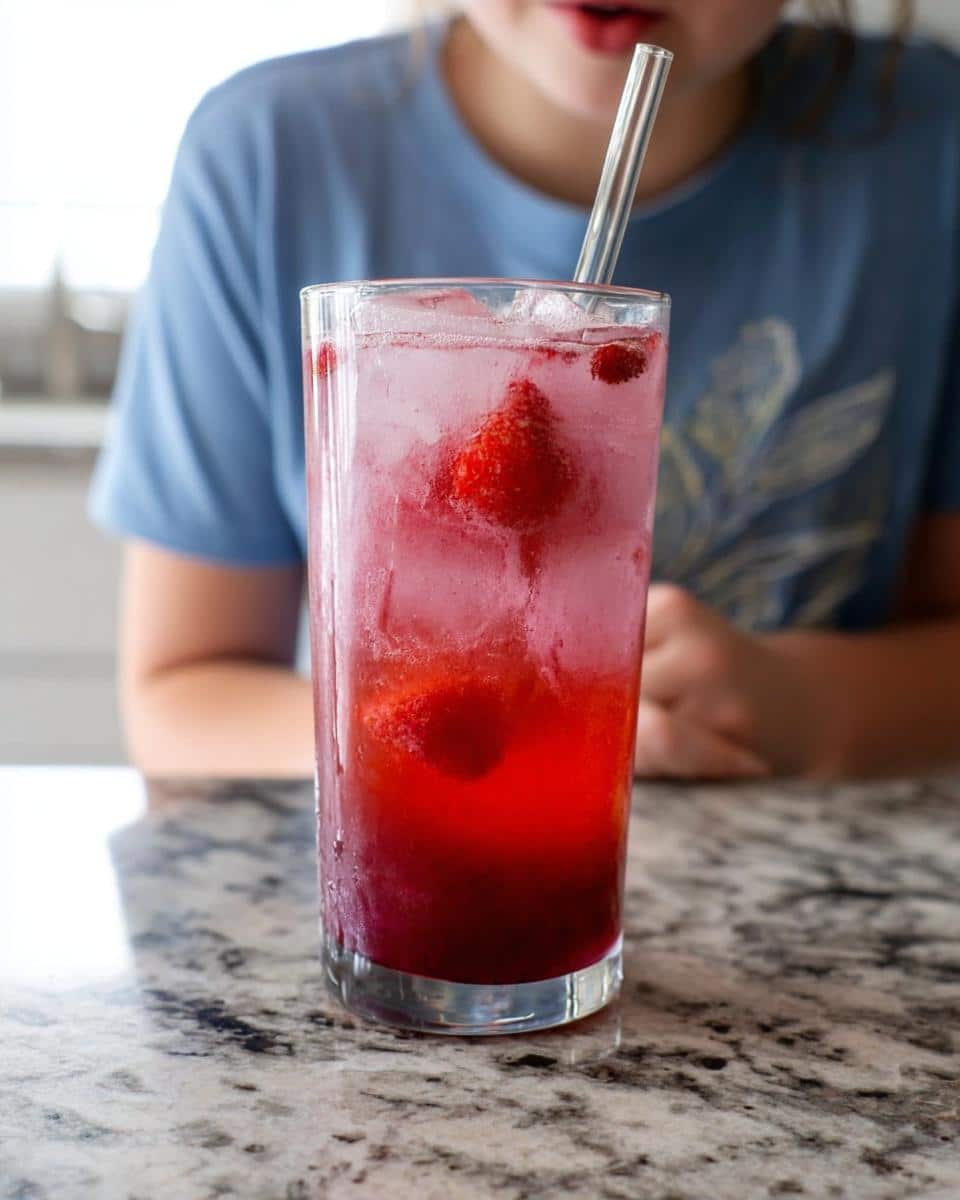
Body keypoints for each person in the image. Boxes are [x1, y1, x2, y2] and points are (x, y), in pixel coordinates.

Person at [90, 0, 960, 780]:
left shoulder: (932, 148)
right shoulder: (269, 153)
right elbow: (181, 695)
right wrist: (458, 735)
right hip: (417, 850)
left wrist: (811, 705)